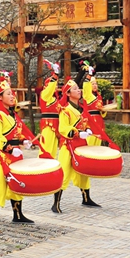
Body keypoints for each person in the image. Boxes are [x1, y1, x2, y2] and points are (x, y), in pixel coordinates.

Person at [0, 73, 40, 233]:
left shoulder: (13, 115)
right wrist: (10, 148)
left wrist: (24, 142)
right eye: (9, 93)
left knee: (16, 183)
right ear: (0, 97)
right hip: (2, 156)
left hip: (15, 155)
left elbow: (18, 134)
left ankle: (18, 214)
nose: (13, 96)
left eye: (12, 93)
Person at [54, 77, 102, 212]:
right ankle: (55, 203)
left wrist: (87, 129)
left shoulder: (81, 108)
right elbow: (63, 128)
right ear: (68, 94)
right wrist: (76, 132)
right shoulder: (65, 110)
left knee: (84, 172)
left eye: (78, 88)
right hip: (68, 145)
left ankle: (86, 198)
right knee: (64, 173)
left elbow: (85, 123)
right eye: (74, 89)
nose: (78, 90)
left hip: (81, 144)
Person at [38, 60, 62, 158]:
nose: (55, 87)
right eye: (53, 85)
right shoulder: (45, 95)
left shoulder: (54, 99)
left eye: (56, 85)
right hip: (48, 124)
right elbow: (49, 89)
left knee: (53, 149)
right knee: (46, 147)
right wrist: (55, 75)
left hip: (56, 124)